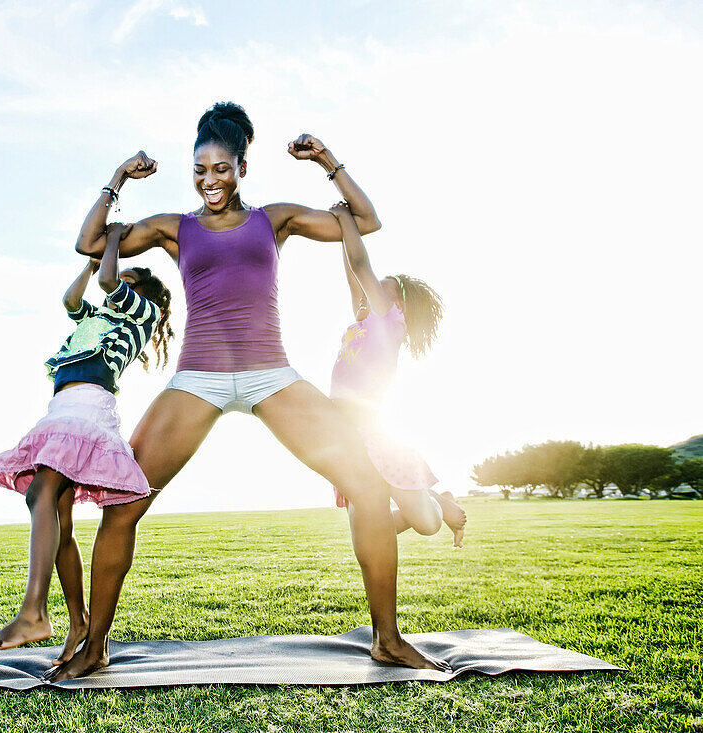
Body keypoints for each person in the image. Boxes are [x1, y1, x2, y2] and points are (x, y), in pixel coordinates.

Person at [46, 102, 447, 681]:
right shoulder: (174, 228)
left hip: (270, 373)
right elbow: (90, 244)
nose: (210, 180)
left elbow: (365, 219)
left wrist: (326, 160)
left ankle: (387, 638)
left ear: (241, 167)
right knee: (122, 505)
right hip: (198, 377)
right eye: (200, 169)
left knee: (366, 486)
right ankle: (95, 644)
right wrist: (118, 179)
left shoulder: (273, 219)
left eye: (222, 168)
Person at [0, 223, 173, 664]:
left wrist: (112, 243)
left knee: (41, 493)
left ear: (142, 293)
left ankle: (33, 612)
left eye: (127, 281)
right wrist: (91, 260)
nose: (115, 284)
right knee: (56, 517)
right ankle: (76, 621)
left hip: (87, 408)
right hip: (60, 409)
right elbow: (72, 300)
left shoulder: (142, 314)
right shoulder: (97, 317)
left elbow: (108, 282)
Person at [328, 201, 467, 547]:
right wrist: (344, 232)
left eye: (381, 287)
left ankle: (438, 502)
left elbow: (361, 266)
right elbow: (352, 271)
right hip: (346, 433)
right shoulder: (364, 320)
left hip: (378, 435)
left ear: (399, 306)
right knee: (366, 535)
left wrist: (346, 219)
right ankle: (433, 501)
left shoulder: (390, 323)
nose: (370, 288)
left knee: (426, 524)